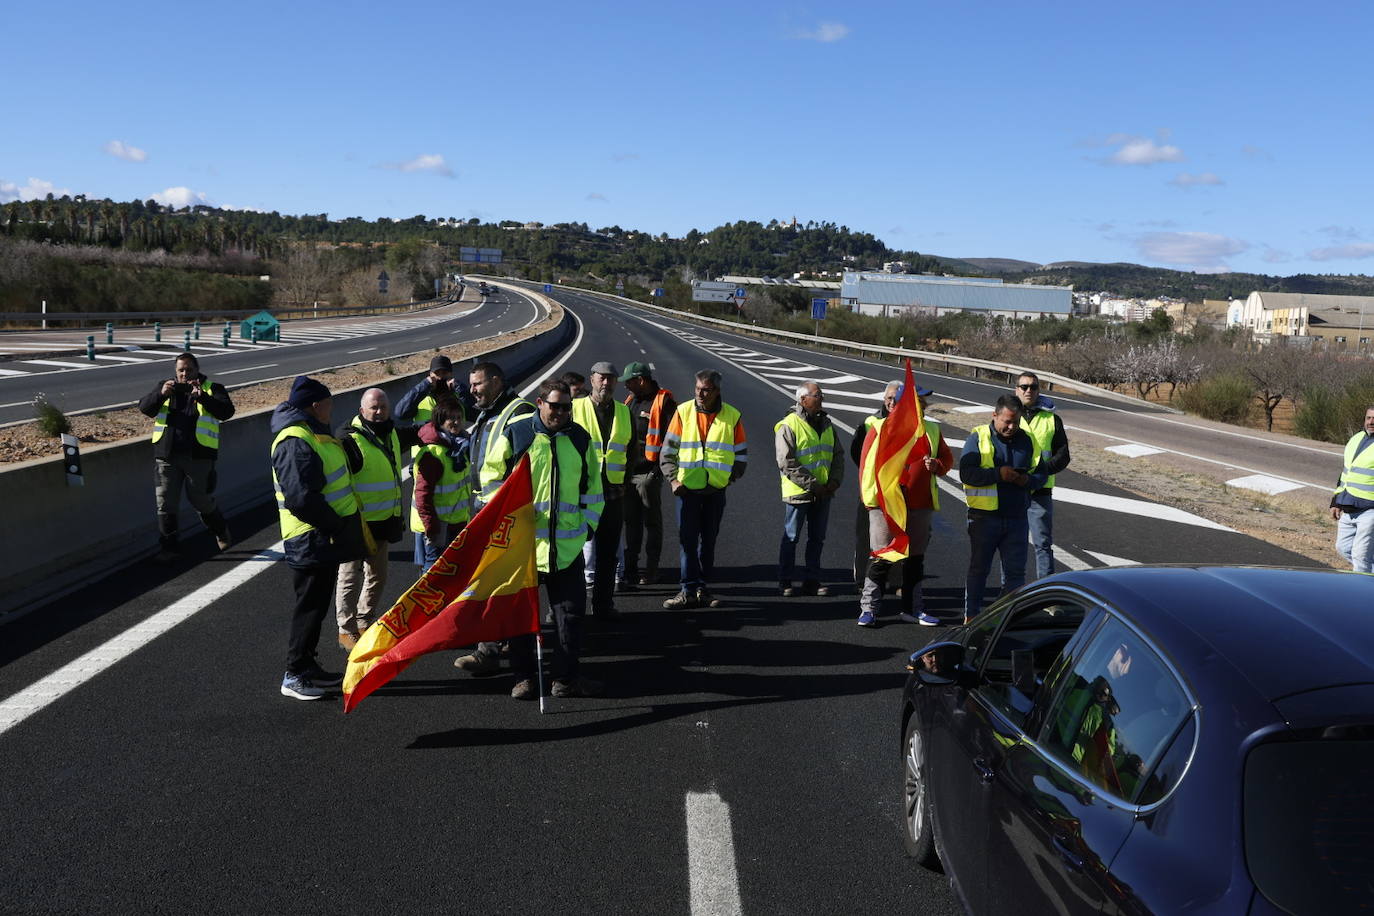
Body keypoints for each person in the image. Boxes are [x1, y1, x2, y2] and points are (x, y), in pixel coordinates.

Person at [461, 378, 605, 700]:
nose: (562, 412)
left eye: (567, 407)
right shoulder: (518, 433)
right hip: (524, 549)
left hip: (566, 550)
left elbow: (593, 490)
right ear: (540, 403)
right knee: (521, 620)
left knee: (570, 618)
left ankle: (566, 679)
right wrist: (508, 518)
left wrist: (587, 528)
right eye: (555, 406)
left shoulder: (580, 440)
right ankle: (523, 678)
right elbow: (490, 477)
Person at [270, 376, 370, 700]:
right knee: (309, 607)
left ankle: (307, 666)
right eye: (329, 403)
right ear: (316, 405)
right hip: (311, 537)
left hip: (321, 537)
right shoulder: (295, 439)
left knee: (316, 606)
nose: (331, 408)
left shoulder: (314, 434)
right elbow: (301, 498)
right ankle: (295, 673)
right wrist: (335, 527)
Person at [451, 361, 536, 676]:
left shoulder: (518, 414)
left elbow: (526, 470)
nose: (471, 390)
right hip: (483, 516)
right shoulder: (488, 413)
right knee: (488, 586)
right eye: (470, 385)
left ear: (497, 382)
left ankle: (502, 657)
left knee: (505, 588)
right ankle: (495, 647)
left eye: (477, 384)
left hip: (506, 518)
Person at [857, 383, 951, 627]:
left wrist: (937, 466)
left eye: (922, 402)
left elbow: (946, 460)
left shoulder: (931, 429)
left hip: (920, 504)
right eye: (916, 401)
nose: (921, 406)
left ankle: (913, 609)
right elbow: (866, 468)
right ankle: (869, 609)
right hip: (886, 505)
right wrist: (872, 503)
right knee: (882, 556)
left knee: (915, 558)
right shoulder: (880, 427)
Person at [334, 388, 421, 650]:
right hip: (355, 523)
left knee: (377, 576)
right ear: (362, 411)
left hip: (382, 521)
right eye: (374, 407)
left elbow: (416, 431)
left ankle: (364, 620)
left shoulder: (391, 432)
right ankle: (345, 629)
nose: (379, 411)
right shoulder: (349, 439)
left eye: (383, 406)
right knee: (349, 577)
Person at [659, 369, 747, 609]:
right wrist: (674, 480)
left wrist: (727, 479)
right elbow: (667, 452)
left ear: (717, 391)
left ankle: (702, 588)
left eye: (706, 389)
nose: (700, 393)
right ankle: (687, 589)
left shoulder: (732, 416)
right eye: (698, 388)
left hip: (715, 491)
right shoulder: (683, 412)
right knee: (687, 541)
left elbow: (741, 455)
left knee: (708, 542)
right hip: (686, 490)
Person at [137, 352, 236, 561]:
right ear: (175, 371)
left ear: (197, 370)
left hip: (199, 456)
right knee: (165, 502)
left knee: (200, 500)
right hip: (168, 455)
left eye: (189, 369)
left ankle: (220, 530)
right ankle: (169, 549)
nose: (184, 374)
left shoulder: (212, 388)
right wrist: (161, 394)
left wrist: (203, 397)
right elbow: (145, 408)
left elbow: (226, 412)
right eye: (181, 370)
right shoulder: (166, 387)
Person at [959, 395, 1047, 623]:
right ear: (994, 415)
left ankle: (1007, 620)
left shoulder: (1027, 440)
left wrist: (1025, 481)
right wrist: (998, 474)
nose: (1011, 427)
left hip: (1017, 518)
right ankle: (971, 616)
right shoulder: (978, 437)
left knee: (1016, 574)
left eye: (1016, 422)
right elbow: (966, 473)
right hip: (984, 519)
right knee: (979, 570)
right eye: (1006, 421)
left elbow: (1041, 474)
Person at [572, 361, 635, 618]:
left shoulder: (624, 411)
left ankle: (603, 605)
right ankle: (569, 609)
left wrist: (624, 482)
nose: (606, 383)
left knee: (608, 555)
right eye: (601, 378)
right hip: (580, 494)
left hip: (613, 493)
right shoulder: (575, 408)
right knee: (573, 553)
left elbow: (631, 453)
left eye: (611, 379)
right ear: (592, 379)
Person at [775, 381, 843, 596]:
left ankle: (812, 580)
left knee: (817, 538)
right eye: (817, 395)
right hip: (799, 492)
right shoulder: (789, 424)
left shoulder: (827, 424)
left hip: (824, 492)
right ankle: (785, 581)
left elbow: (837, 455)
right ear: (803, 400)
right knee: (791, 537)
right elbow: (786, 462)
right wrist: (815, 486)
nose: (821, 398)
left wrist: (834, 481)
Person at [619, 361, 676, 588]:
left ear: (641, 380)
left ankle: (651, 570)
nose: (626, 387)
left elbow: (673, 438)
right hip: (627, 473)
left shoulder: (664, 402)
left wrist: (658, 470)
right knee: (631, 523)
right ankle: (631, 569)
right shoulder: (632, 401)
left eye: (629, 382)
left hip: (648, 473)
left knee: (652, 523)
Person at [1016, 371, 1071, 580]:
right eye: (1024, 387)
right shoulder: (1008, 414)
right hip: (1013, 489)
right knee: (1013, 544)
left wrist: (1041, 472)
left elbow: (1063, 454)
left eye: (1033, 387)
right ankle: (1011, 593)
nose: (1028, 391)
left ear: (1039, 390)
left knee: (1043, 544)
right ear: (1017, 389)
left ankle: (1046, 595)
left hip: (1040, 490)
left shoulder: (1052, 419)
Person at [409, 394, 472, 571]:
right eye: (451, 418)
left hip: (455, 522)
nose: (456, 422)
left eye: (459, 418)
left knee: (451, 571)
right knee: (433, 572)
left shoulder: (460, 447)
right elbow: (423, 496)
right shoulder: (433, 454)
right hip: (437, 526)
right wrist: (432, 527)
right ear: (440, 421)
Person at [851, 381, 902, 583]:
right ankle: (862, 578)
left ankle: (897, 581)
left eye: (896, 399)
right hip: (871, 490)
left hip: (897, 492)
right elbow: (857, 452)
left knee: (898, 536)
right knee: (865, 536)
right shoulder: (870, 422)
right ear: (884, 399)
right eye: (889, 398)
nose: (892, 402)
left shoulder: (908, 422)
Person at [1331, 405, 1374, 573]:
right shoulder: (1356, 439)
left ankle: (1363, 595)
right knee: (1343, 548)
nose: (1371, 422)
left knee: (1360, 555)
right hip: (1349, 506)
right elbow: (1346, 473)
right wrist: (1336, 501)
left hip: (1370, 510)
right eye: (1369, 418)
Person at [395, 355, 472, 431]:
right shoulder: (420, 397)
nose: (440, 377)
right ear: (430, 375)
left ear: (451, 374)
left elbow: (474, 407)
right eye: (437, 373)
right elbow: (400, 413)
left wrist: (460, 388)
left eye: (444, 373)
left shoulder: (459, 396)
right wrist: (424, 385)